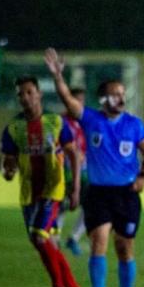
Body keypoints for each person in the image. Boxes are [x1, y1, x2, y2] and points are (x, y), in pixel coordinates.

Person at [45, 47, 144, 287]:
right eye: (115, 93)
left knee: (125, 247)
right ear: (104, 98)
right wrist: (59, 76)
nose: (121, 97)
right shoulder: (91, 119)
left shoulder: (134, 124)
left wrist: (143, 175)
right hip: (99, 194)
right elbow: (68, 100)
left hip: (127, 194)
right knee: (99, 243)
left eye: (122, 93)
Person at [0, 76, 88, 287]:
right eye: (21, 94)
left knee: (40, 237)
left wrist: (76, 187)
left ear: (39, 94)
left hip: (54, 188)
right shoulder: (13, 128)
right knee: (47, 243)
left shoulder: (55, 122)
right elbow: (8, 160)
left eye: (29, 92)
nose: (25, 98)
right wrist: (7, 171)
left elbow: (73, 154)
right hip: (29, 192)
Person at [56, 87, 89, 256]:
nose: (79, 104)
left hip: (84, 171)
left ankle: (73, 238)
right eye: (77, 100)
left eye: (82, 101)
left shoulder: (86, 120)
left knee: (91, 206)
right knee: (62, 205)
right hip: (64, 171)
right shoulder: (60, 121)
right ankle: (55, 241)